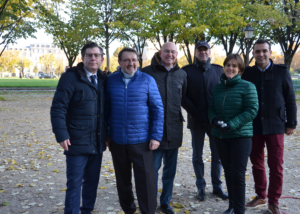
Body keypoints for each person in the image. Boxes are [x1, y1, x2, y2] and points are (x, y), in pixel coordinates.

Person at [106, 47, 164, 214]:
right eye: (126, 60)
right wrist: (107, 135)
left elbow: (158, 110)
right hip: (117, 141)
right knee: (123, 182)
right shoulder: (110, 81)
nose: (131, 63)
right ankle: (129, 210)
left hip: (142, 141)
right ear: (120, 62)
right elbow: (105, 111)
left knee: (146, 182)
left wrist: (156, 136)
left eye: (134, 60)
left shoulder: (147, 80)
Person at [50, 42, 107, 214]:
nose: (93, 58)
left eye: (96, 55)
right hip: (76, 141)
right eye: (89, 55)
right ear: (82, 58)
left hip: (97, 141)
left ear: (102, 59)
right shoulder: (70, 78)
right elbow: (58, 107)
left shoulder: (104, 80)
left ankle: (87, 210)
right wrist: (61, 134)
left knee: (92, 182)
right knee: (74, 184)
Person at [242, 39, 297, 214]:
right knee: (256, 163)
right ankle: (261, 195)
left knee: (276, 165)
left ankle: (273, 201)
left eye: (264, 51)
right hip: (254, 126)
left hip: (276, 125)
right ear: (253, 54)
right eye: (257, 51)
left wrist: (291, 123)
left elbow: (290, 99)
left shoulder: (282, 72)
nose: (261, 54)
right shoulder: (248, 73)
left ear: (270, 52)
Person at [208, 54, 258, 214]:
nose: (230, 68)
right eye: (228, 65)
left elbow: (251, 110)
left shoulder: (248, 86)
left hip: (240, 137)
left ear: (240, 69)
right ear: (224, 67)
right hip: (221, 137)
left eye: (234, 66)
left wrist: (232, 124)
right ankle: (232, 205)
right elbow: (211, 108)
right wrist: (214, 120)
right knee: (228, 172)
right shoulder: (218, 87)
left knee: (237, 174)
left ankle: (239, 210)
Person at [142, 42, 187, 214]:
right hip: (153, 132)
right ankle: (150, 202)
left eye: (173, 52)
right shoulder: (146, 73)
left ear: (177, 54)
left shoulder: (182, 74)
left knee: (170, 171)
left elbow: (183, 98)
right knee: (151, 170)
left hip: (174, 130)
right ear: (160, 53)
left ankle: (165, 201)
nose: (170, 55)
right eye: (166, 51)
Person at [182, 41, 228, 201]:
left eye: (205, 50)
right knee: (197, 156)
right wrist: (195, 112)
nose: (202, 53)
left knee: (218, 156)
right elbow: (183, 96)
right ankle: (200, 187)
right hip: (196, 120)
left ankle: (217, 186)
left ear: (209, 52)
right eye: (199, 50)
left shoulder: (218, 71)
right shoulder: (186, 71)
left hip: (215, 121)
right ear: (195, 52)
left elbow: (225, 94)